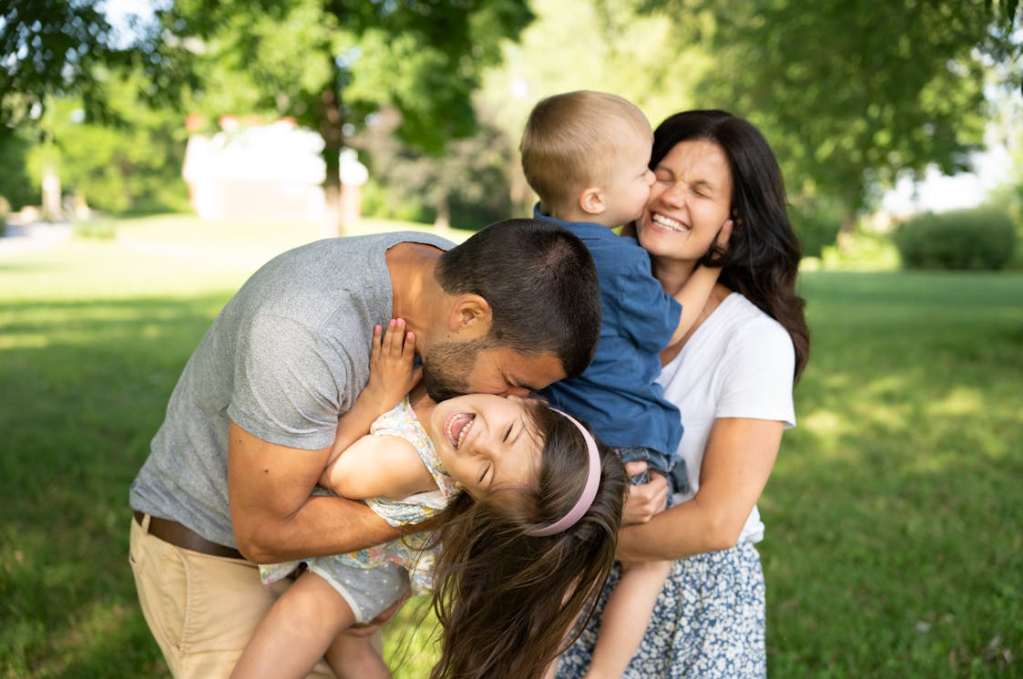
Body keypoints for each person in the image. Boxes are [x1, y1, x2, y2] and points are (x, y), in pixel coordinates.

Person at [128, 218, 603, 678]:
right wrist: (435, 514)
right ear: (469, 316)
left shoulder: (442, 280)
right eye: (513, 382)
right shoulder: (304, 332)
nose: (510, 401)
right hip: (216, 555)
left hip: (317, 565)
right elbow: (264, 534)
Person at [552, 109, 811, 679]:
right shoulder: (571, 290)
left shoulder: (755, 341)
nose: (670, 197)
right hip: (563, 587)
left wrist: (574, 537)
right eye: (662, 176)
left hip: (689, 596)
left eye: (700, 189)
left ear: (733, 221)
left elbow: (717, 521)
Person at [232, 320, 627, 679]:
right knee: (348, 648)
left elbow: (333, 472)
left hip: (359, 571)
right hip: (386, 563)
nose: (479, 443)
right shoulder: (464, 391)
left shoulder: (407, 462)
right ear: (528, 400)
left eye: (486, 473)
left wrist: (378, 395)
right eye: (507, 434)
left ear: (476, 496)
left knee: (301, 619)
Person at [520, 91, 731, 679]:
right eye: (646, 173)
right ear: (596, 198)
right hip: (629, 438)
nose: (653, 189)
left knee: (560, 571)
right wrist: (713, 265)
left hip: (562, 438)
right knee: (647, 565)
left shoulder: (531, 238)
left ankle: (538, 666)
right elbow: (666, 325)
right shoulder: (615, 261)